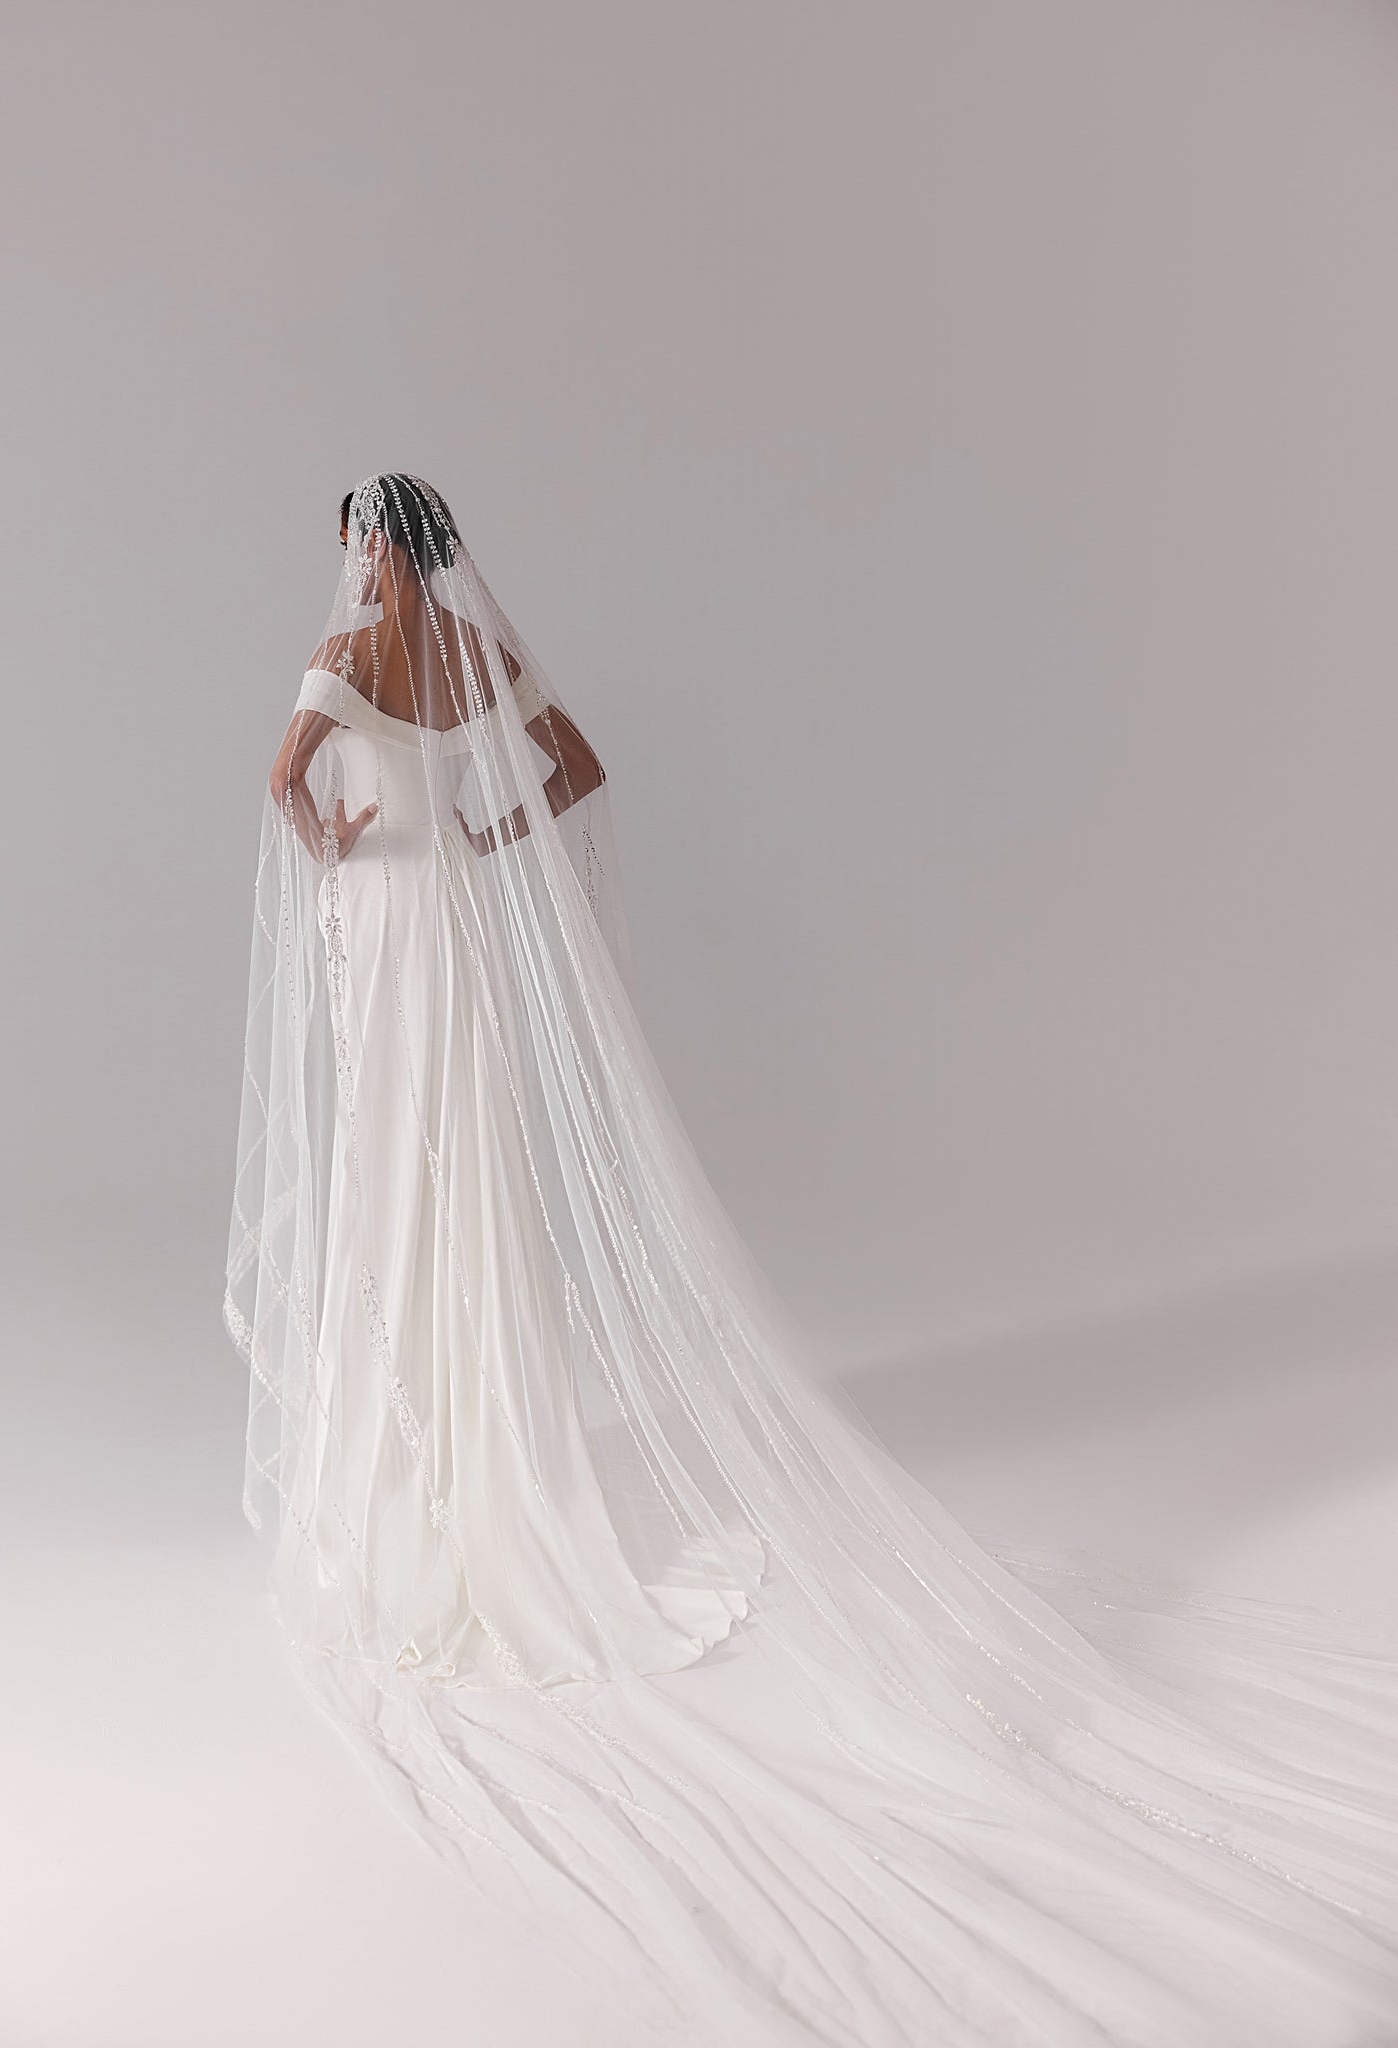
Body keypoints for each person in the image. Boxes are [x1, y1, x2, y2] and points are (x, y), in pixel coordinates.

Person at [226, 472, 1398, 2047]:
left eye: (353, 539)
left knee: (397, 1183)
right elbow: (578, 768)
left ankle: (411, 1461)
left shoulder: (347, 657)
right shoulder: (476, 655)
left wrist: (348, 845)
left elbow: (284, 788)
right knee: (474, 1186)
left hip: (391, 933)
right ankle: (490, 1438)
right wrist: (475, 835)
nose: (351, 561)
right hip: (466, 942)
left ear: (374, 544)